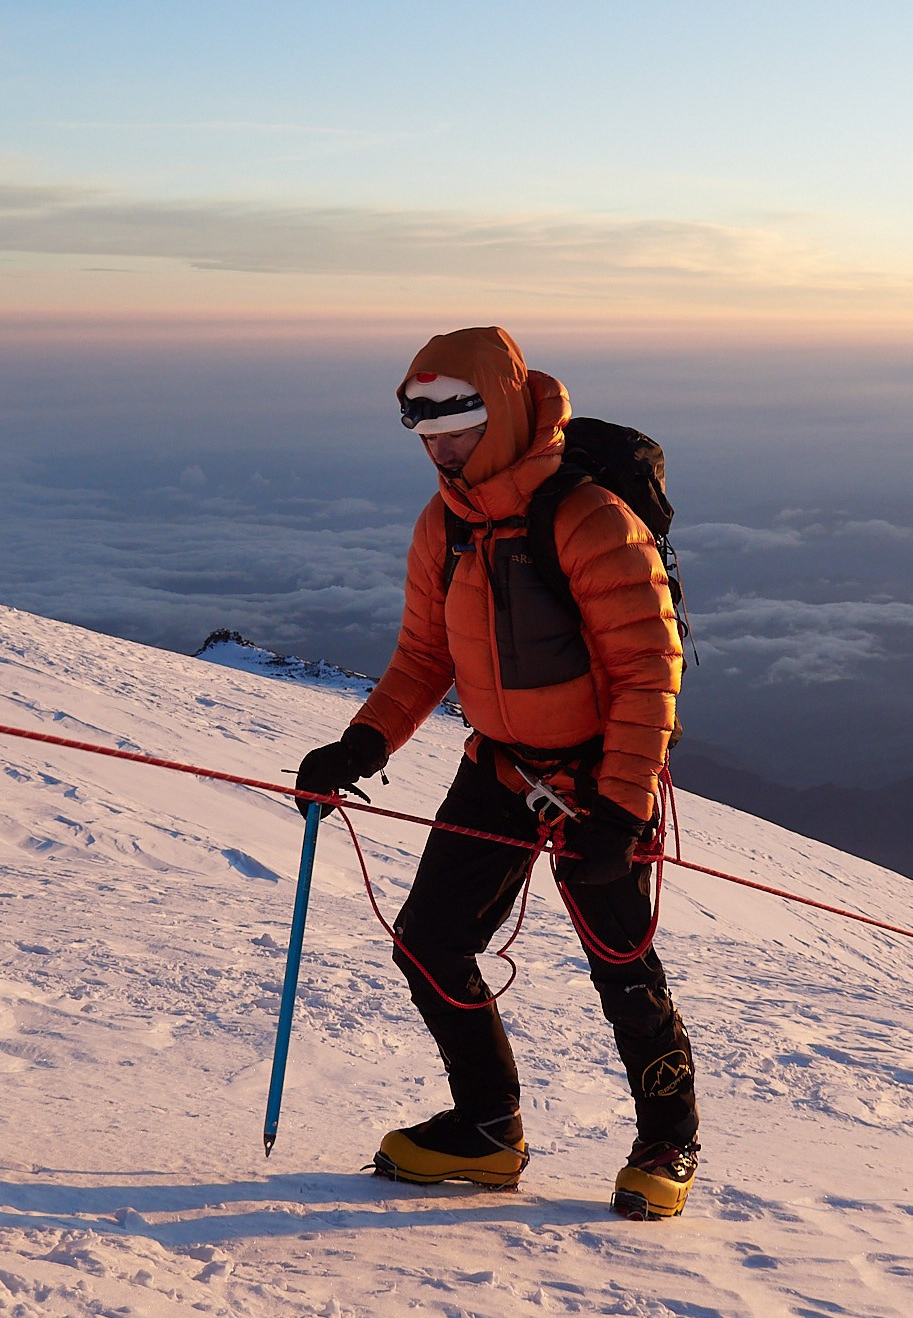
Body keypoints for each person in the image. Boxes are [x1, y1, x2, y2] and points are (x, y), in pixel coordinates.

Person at [295, 325, 698, 1219]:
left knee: (622, 966)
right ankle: (486, 1131)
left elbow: (646, 672)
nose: (440, 450)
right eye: (426, 433)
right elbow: (421, 658)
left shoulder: (590, 517)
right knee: (430, 941)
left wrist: (621, 813)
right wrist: (361, 745)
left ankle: (668, 1141)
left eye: (459, 427)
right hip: (504, 770)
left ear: (506, 414)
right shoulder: (444, 527)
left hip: (599, 781)